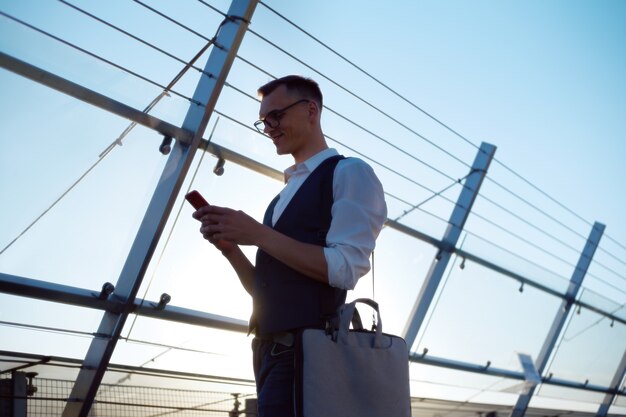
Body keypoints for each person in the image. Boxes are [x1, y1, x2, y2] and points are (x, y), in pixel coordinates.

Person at [192, 75, 387, 417]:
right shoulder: (282, 196)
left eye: (276, 116)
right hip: (267, 351)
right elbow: (265, 291)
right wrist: (231, 249)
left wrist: (257, 233)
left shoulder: (349, 172)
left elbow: (345, 268)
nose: (269, 127)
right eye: (263, 121)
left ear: (311, 110)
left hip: (306, 353)